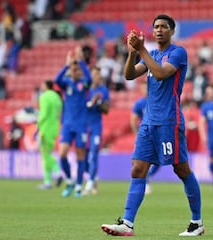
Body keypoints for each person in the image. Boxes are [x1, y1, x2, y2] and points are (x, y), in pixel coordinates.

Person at [101, 14, 204, 237]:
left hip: (169, 121)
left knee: (181, 169)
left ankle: (196, 222)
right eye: (156, 27)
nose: (159, 30)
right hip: (148, 122)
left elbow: (159, 73)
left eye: (164, 27)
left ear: (172, 31)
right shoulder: (153, 54)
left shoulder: (178, 53)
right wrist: (131, 54)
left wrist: (142, 51)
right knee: (138, 169)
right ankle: (127, 223)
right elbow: (129, 75)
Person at [55, 46, 92, 198]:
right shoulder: (66, 83)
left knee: (80, 155)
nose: (74, 71)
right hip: (67, 125)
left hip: (81, 125)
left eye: (77, 70)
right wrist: (67, 65)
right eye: (73, 69)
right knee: (62, 153)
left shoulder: (83, 84)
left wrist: (81, 62)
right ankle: (70, 180)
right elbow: (56, 80)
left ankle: (78, 186)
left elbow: (89, 79)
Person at [83, 66, 110, 195]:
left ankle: (89, 183)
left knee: (93, 154)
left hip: (95, 126)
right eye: (95, 74)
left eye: (98, 75)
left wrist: (99, 102)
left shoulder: (103, 90)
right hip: (82, 126)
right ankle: (93, 177)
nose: (97, 77)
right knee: (83, 156)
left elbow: (106, 110)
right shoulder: (84, 89)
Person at [129, 81, 160, 195]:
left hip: (158, 134)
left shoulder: (157, 100)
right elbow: (133, 118)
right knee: (140, 160)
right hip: (145, 135)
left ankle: (148, 176)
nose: (145, 90)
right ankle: (144, 182)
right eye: (143, 88)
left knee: (159, 160)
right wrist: (136, 133)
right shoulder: (140, 103)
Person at [36, 80, 63, 190]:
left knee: (46, 154)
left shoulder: (44, 96)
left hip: (45, 128)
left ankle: (58, 173)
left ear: (46, 86)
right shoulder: (57, 97)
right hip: (54, 128)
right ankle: (47, 181)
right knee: (46, 154)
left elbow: (44, 113)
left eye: (42, 84)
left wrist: (38, 124)